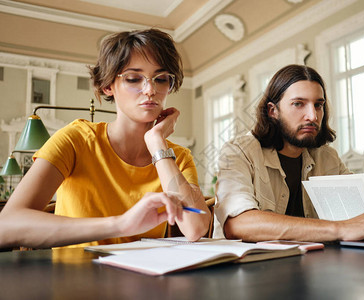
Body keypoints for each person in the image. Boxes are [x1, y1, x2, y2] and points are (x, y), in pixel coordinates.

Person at [0, 28, 210, 249]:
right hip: (75, 277)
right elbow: (6, 226)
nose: (150, 90)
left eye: (161, 79)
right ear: (108, 86)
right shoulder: (76, 140)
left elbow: (195, 227)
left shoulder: (177, 157)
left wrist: (157, 142)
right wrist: (120, 224)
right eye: (133, 78)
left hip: (146, 279)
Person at [214, 64, 364, 242]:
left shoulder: (327, 156)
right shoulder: (238, 151)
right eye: (298, 104)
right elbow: (238, 224)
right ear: (273, 111)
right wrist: (341, 229)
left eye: (318, 105)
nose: (313, 116)